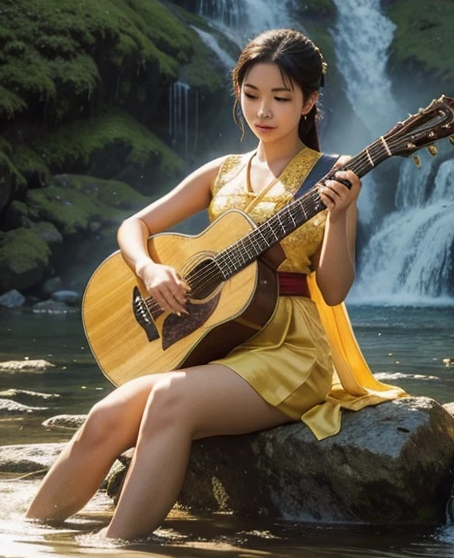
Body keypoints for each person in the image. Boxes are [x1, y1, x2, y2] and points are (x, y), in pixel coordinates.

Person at [26, 27, 405, 540]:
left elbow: (334, 291)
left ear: (310, 101)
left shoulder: (331, 174)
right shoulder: (222, 172)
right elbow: (134, 226)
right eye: (251, 96)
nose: (263, 111)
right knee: (104, 416)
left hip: (289, 352)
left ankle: (117, 548)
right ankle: (29, 538)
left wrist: (340, 218)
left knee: (168, 402)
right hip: (216, 340)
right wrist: (150, 269)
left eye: (280, 98)